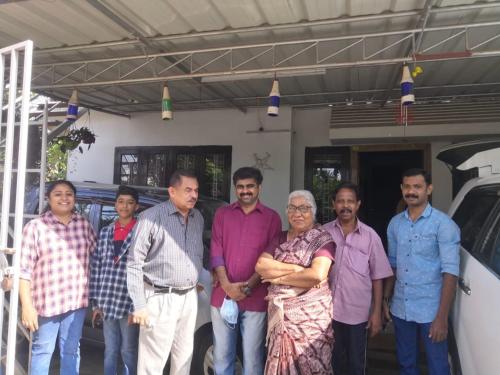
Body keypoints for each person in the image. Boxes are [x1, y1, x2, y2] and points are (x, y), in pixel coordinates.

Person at [127, 170, 204, 375]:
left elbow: (194, 254)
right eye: (187, 190)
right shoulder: (150, 218)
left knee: (184, 358)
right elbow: (134, 264)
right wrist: (140, 305)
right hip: (159, 297)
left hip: (189, 297)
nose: (193, 195)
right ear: (172, 191)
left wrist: (192, 278)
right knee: (152, 363)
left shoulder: (197, 218)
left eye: (196, 190)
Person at [383, 168, 460, 375]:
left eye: (417, 187)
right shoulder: (395, 224)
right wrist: (385, 300)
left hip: (431, 310)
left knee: (438, 366)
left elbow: (450, 272)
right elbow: (393, 265)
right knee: (406, 364)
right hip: (401, 307)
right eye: (407, 187)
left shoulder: (443, 224)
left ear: (429, 189)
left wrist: (442, 317)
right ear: (401, 189)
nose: (411, 191)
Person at [19, 180, 97, 375]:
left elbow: (97, 257)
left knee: (71, 350)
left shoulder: (84, 224)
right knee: (43, 351)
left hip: (76, 303)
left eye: (69, 194)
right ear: (49, 198)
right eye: (58, 194)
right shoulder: (36, 227)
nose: (64, 198)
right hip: (46, 304)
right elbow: (23, 271)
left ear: (74, 198)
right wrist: (27, 307)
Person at [210, 167, 282, 375]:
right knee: (222, 356)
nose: (245, 191)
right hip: (223, 298)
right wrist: (227, 286)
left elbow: (271, 256)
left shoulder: (272, 218)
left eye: (250, 186)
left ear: (259, 187)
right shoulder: (223, 214)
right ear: (235, 188)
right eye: (240, 187)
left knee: (253, 359)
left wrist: (248, 287)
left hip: (256, 299)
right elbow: (216, 251)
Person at [255, 190, 335, 375]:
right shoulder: (279, 238)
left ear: (313, 212)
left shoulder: (323, 240)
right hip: (281, 319)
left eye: (304, 208)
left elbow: (317, 274)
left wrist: (278, 278)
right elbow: (261, 265)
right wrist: (297, 270)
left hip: (311, 321)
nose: (297, 213)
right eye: (292, 208)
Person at [323, 182, 393, 375]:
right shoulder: (323, 233)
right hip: (328, 313)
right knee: (332, 361)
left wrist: (376, 312)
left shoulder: (370, 237)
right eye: (340, 201)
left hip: (358, 315)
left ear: (358, 204)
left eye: (350, 201)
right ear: (333, 204)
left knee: (356, 364)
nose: (345, 206)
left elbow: (378, 277)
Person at [89, 185, 140, 375]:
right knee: (110, 349)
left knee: (128, 350)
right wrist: (96, 303)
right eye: (120, 202)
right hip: (107, 301)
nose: (124, 206)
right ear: (115, 204)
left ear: (137, 206)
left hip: (130, 302)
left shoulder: (141, 232)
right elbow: (96, 267)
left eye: (130, 203)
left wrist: (140, 306)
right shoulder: (105, 232)